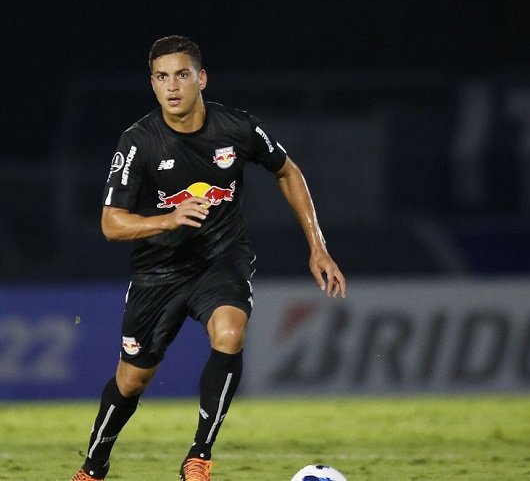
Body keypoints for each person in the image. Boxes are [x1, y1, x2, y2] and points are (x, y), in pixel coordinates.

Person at [71, 35, 346, 481]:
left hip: (221, 259)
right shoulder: (138, 142)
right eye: (161, 77)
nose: (172, 86)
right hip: (158, 271)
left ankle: (198, 457)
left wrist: (318, 246)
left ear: (201, 78)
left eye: (181, 75)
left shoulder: (237, 128)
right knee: (133, 380)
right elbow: (110, 223)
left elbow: (287, 171)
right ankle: (93, 466)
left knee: (230, 333)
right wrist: (168, 220)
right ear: (152, 83)